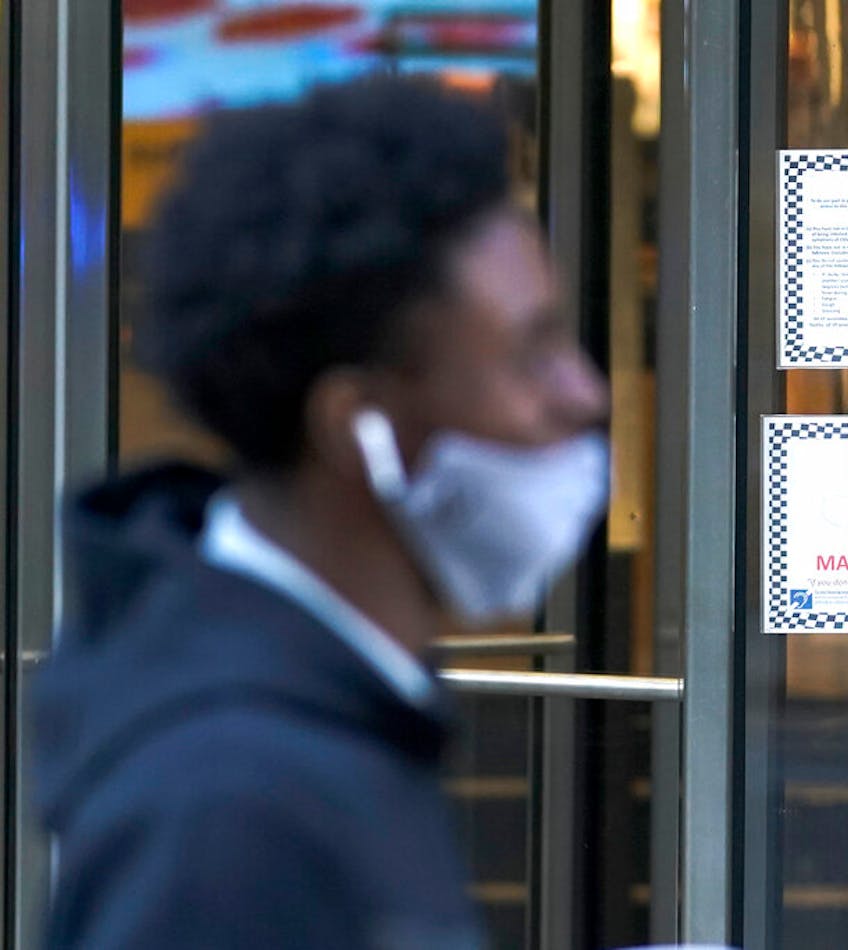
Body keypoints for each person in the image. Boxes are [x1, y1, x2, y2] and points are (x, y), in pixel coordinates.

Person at [31, 75, 609, 949]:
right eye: (533, 354)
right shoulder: (229, 805)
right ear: (357, 427)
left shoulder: (328, 720)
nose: (585, 395)